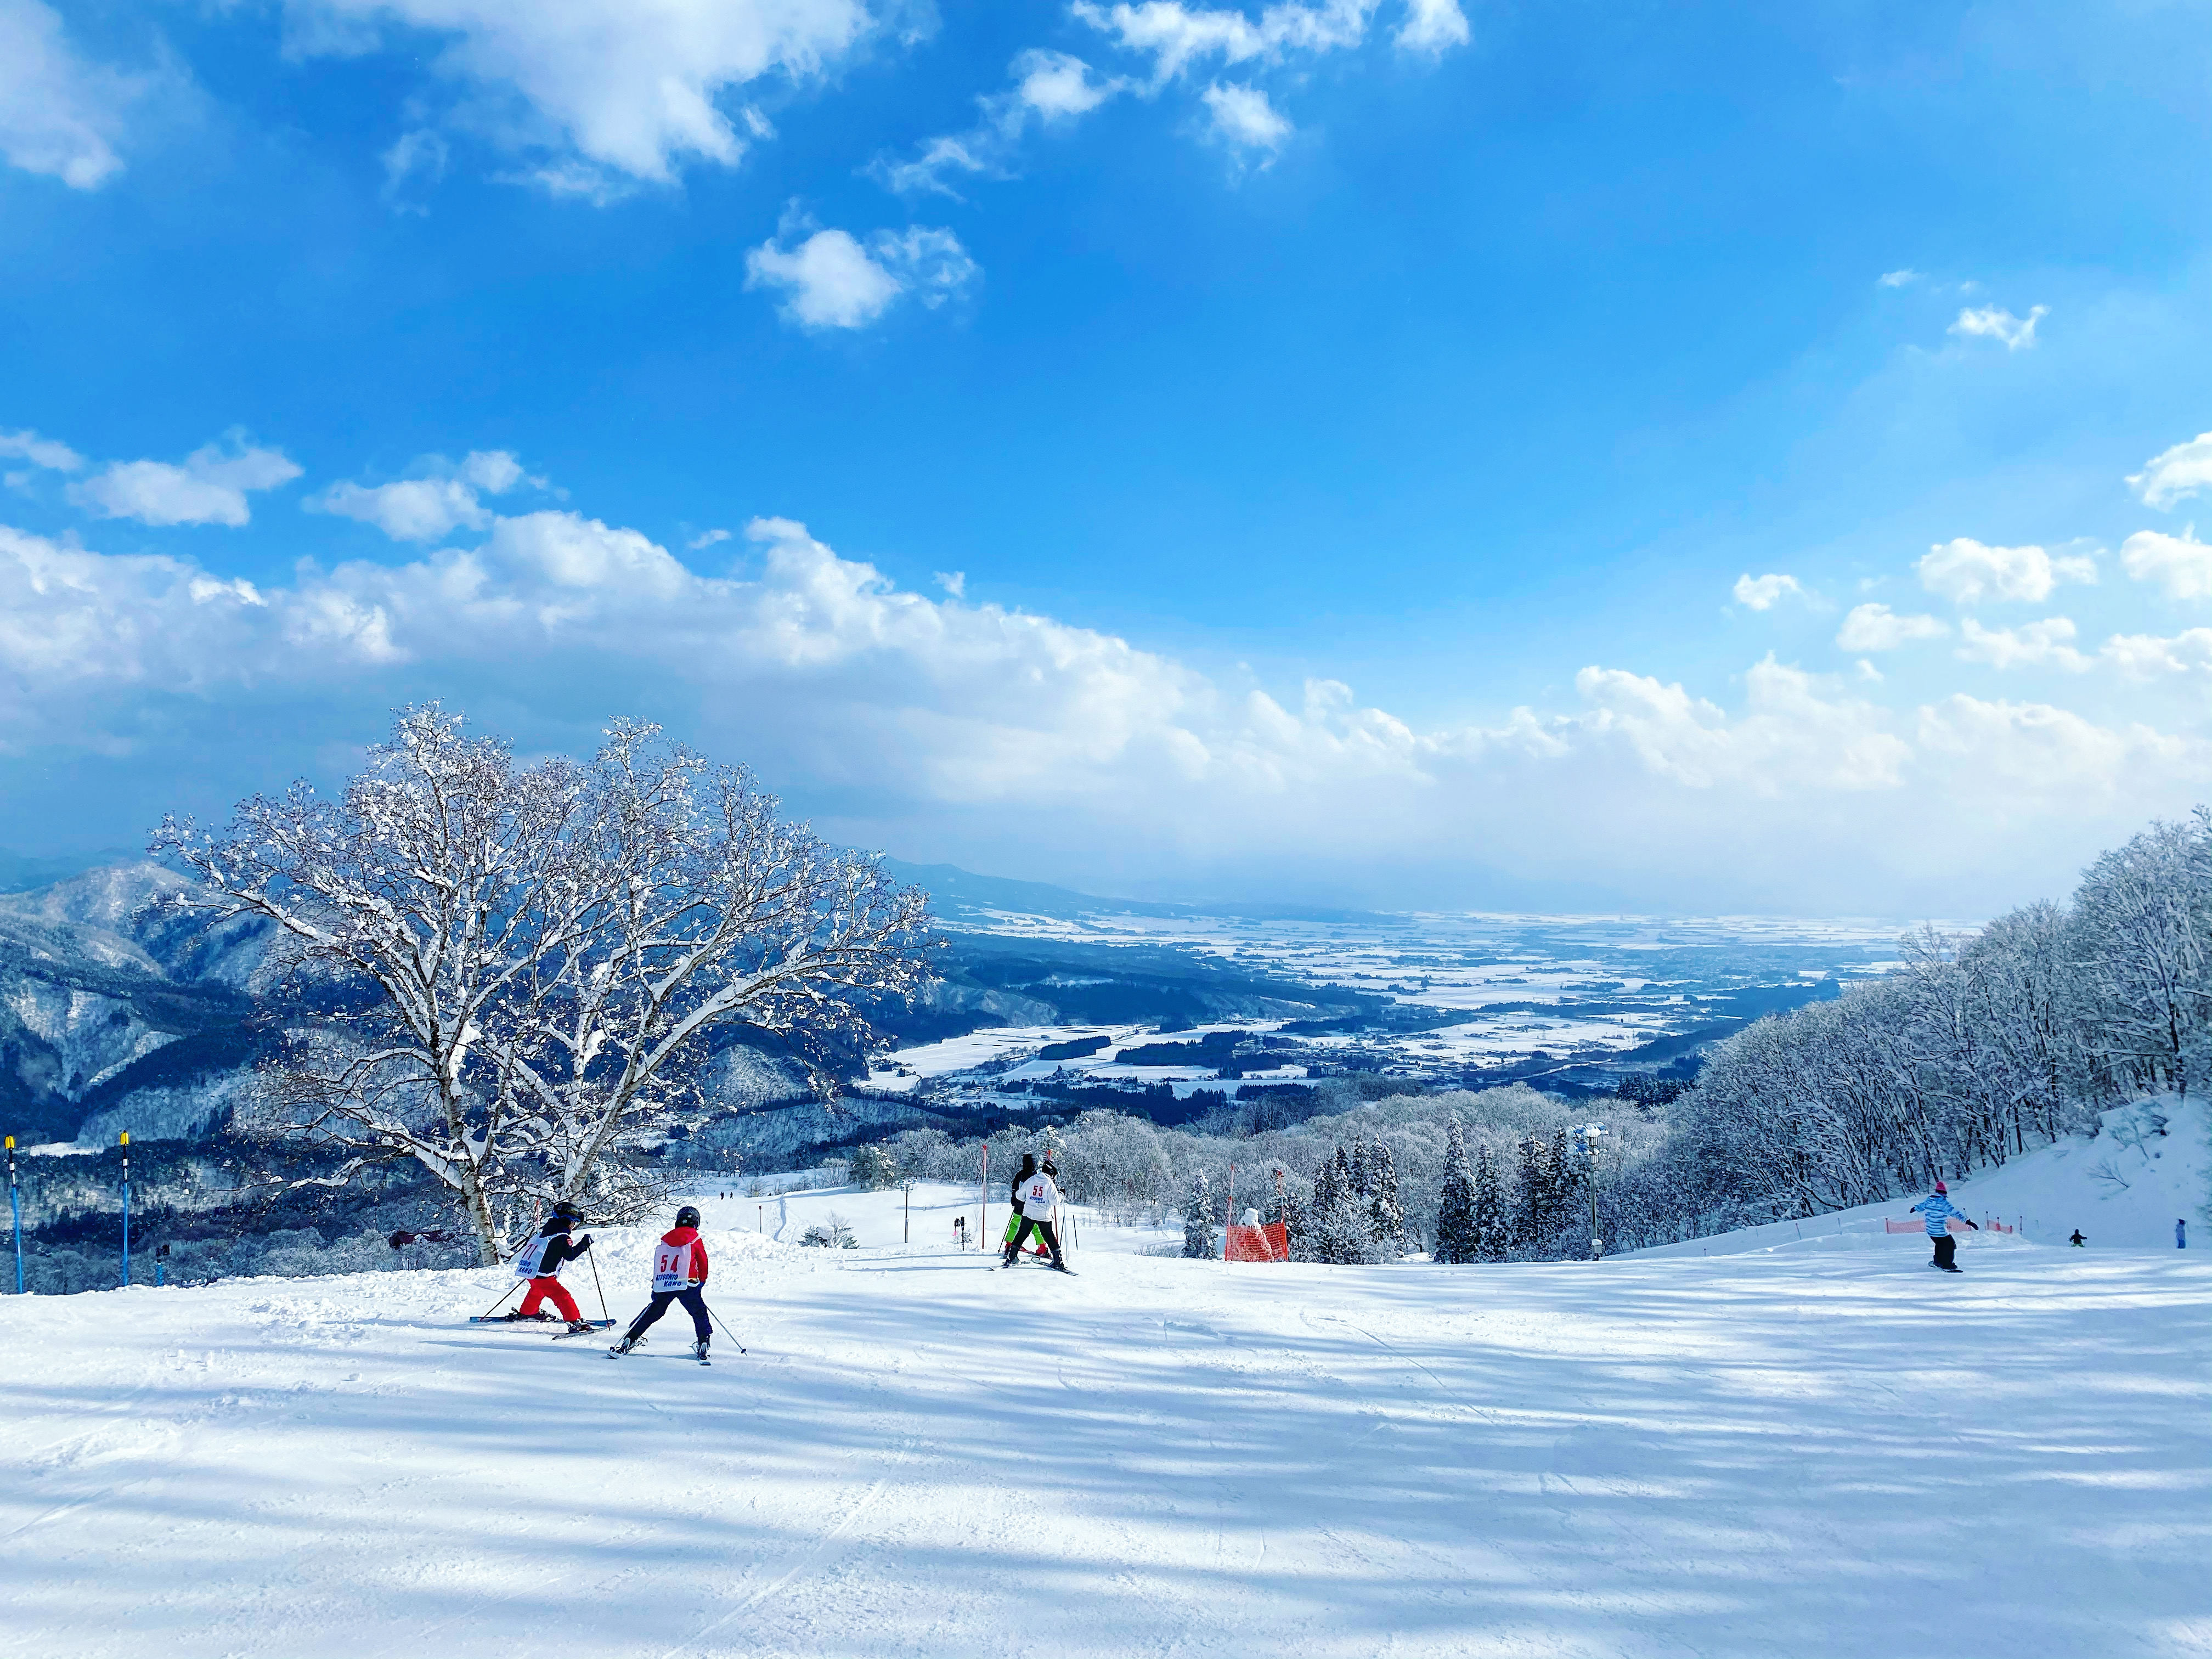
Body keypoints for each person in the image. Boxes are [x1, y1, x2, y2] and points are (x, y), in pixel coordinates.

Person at [611, 1204, 714, 1361]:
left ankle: (630, 1338)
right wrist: (702, 1280)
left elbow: (660, 1261)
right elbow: (703, 1262)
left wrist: (656, 1282)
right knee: (698, 1312)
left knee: (654, 1310)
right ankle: (703, 1342)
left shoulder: (666, 1240)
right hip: (688, 1282)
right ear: (696, 1223)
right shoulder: (695, 1239)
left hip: (665, 1283)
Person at [506, 1200, 596, 1333]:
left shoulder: (547, 1232)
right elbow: (570, 1256)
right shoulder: (562, 1237)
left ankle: (528, 1312)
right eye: (574, 1222)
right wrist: (584, 1244)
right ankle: (575, 1322)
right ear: (567, 1221)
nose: (574, 1225)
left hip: (533, 1273)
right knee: (562, 1296)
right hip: (544, 1276)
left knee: (537, 1291)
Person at [1002, 1157, 1071, 1272]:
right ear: (1051, 1172)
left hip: (1028, 1213)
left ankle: (1012, 1257)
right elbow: (1055, 1202)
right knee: (1050, 1238)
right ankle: (1058, 1261)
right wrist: (1061, 1194)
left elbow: (1019, 1195)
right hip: (1043, 1216)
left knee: (1021, 1235)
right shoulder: (1049, 1183)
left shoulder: (1032, 1180)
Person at [1910, 1180, 1977, 1272]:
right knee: (1950, 1245)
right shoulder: (1943, 1203)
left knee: (1940, 1244)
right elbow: (1955, 1213)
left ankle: (1938, 1262)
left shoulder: (1929, 1200)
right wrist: (1968, 1222)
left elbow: (1921, 1206)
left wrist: (1914, 1209)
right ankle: (1947, 1265)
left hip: (1930, 1231)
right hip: (1940, 1231)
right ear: (1944, 1193)